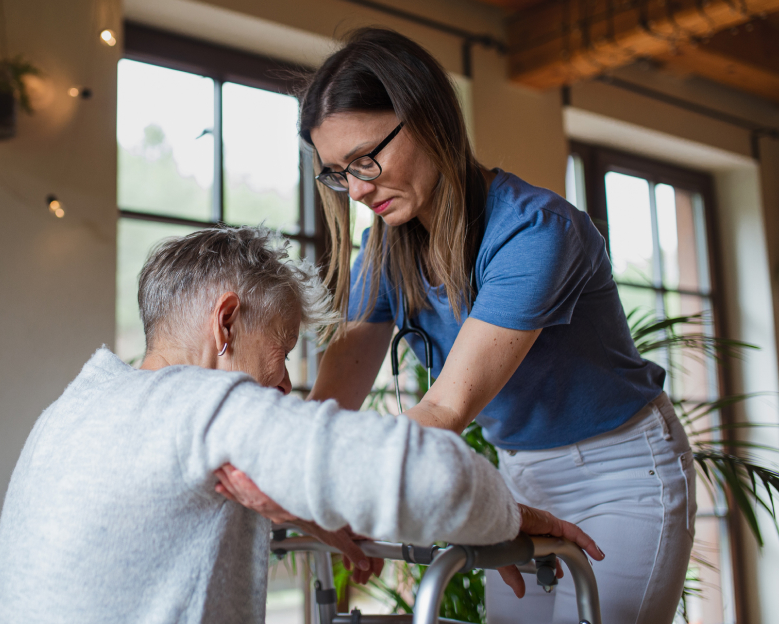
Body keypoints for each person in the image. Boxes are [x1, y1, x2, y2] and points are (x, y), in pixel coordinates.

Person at [222, 27, 694, 624]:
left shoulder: (534, 232)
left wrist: (329, 486)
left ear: (430, 119)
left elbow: (445, 412)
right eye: (340, 172)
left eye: (368, 157)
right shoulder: (384, 253)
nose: (360, 189)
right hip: (519, 474)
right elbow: (330, 409)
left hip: (620, 472)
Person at [0, 226, 601, 624]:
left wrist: (303, 506)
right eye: (278, 359)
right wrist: (510, 517)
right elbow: (438, 479)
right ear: (226, 324)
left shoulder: (76, 409)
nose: (283, 389)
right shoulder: (199, 402)